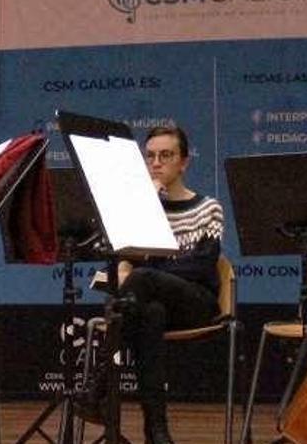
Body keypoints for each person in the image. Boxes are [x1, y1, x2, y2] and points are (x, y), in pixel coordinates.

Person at [91, 125, 224, 444]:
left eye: (166, 155)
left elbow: (201, 266)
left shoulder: (208, 208)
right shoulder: (142, 208)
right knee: (149, 312)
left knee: (144, 279)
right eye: (150, 156)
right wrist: (144, 205)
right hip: (154, 305)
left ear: (184, 162)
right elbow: (124, 257)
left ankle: (96, 386)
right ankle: (157, 430)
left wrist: (154, 265)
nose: (156, 162)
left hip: (198, 303)